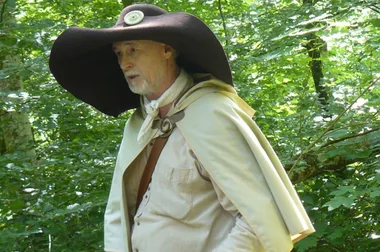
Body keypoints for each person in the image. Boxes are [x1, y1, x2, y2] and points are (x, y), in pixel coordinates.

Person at [49, 4, 315, 252]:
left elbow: (259, 225)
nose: (123, 63)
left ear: (167, 49)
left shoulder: (213, 114)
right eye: (119, 53)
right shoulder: (140, 124)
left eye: (133, 50)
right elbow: (119, 215)